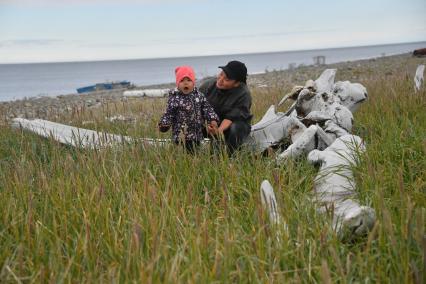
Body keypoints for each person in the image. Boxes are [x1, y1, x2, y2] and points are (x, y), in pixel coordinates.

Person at [158, 66, 219, 153]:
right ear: (177, 83)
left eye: (189, 80)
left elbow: (207, 108)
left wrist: (212, 119)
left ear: (193, 82)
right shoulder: (175, 98)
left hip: (196, 133)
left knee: (194, 151)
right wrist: (164, 124)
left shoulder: (199, 96)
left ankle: (193, 161)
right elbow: (169, 113)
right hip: (180, 134)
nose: (185, 83)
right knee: (184, 152)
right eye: (182, 81)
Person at [199, 60, 253, 155]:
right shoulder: (207, 86)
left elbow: (231, 118)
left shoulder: (244, 94)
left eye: (227, 79)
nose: (220, 80)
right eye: (221, 74)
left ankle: (229, 155)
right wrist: (206, 124)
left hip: (232, 125)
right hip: (210, 124)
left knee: (236, 127)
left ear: (237, 83)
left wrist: (218, 131)